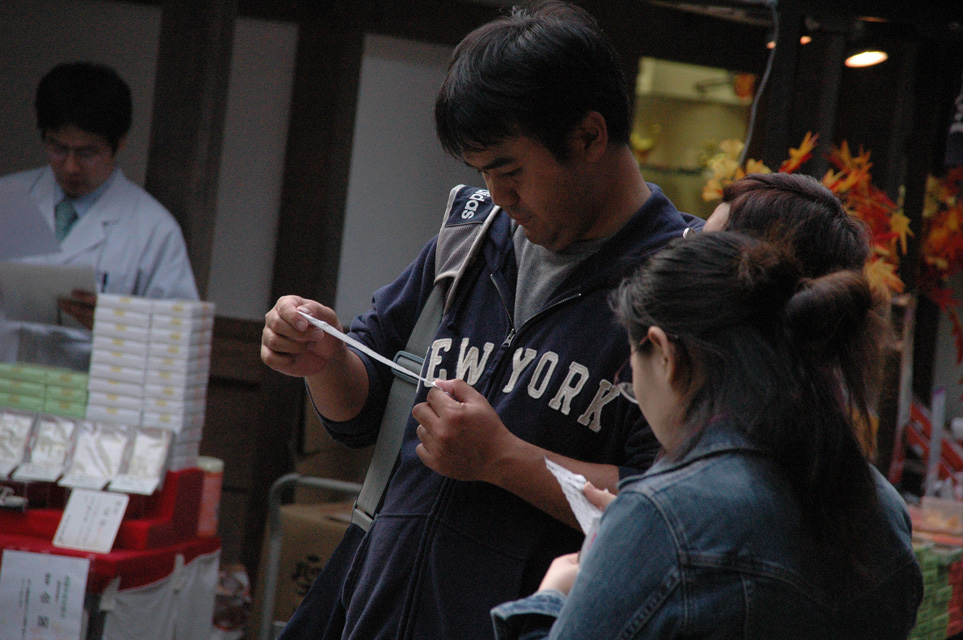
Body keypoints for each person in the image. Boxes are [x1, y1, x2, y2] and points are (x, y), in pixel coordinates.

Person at [260, 2, 699, 638]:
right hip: (373, 614)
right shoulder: (471, 236)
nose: (497, 194)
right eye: (482, 173)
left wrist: (503, 458)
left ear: (589, 136)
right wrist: (323, 359)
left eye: (509, 169)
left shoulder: (680, 284)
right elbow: (361, 413)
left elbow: (667, 502)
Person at [491, 231, 924, 639]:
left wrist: (557, 592)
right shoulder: (883, 506)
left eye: (630, 374)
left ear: (664, 353)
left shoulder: (661, 517)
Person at [0, 61, 198, 369]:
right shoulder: (7, 197)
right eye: (57, 148)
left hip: (95, 402)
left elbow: (180, 341)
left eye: (87, 152)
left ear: (119, 144)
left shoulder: (153, 229)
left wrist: (116, 323)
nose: (70, 166)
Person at [708, 171, 882, 457]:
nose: (686, 257)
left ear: (756, 280)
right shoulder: (814, 404)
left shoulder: (750, 420)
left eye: (702, 247)